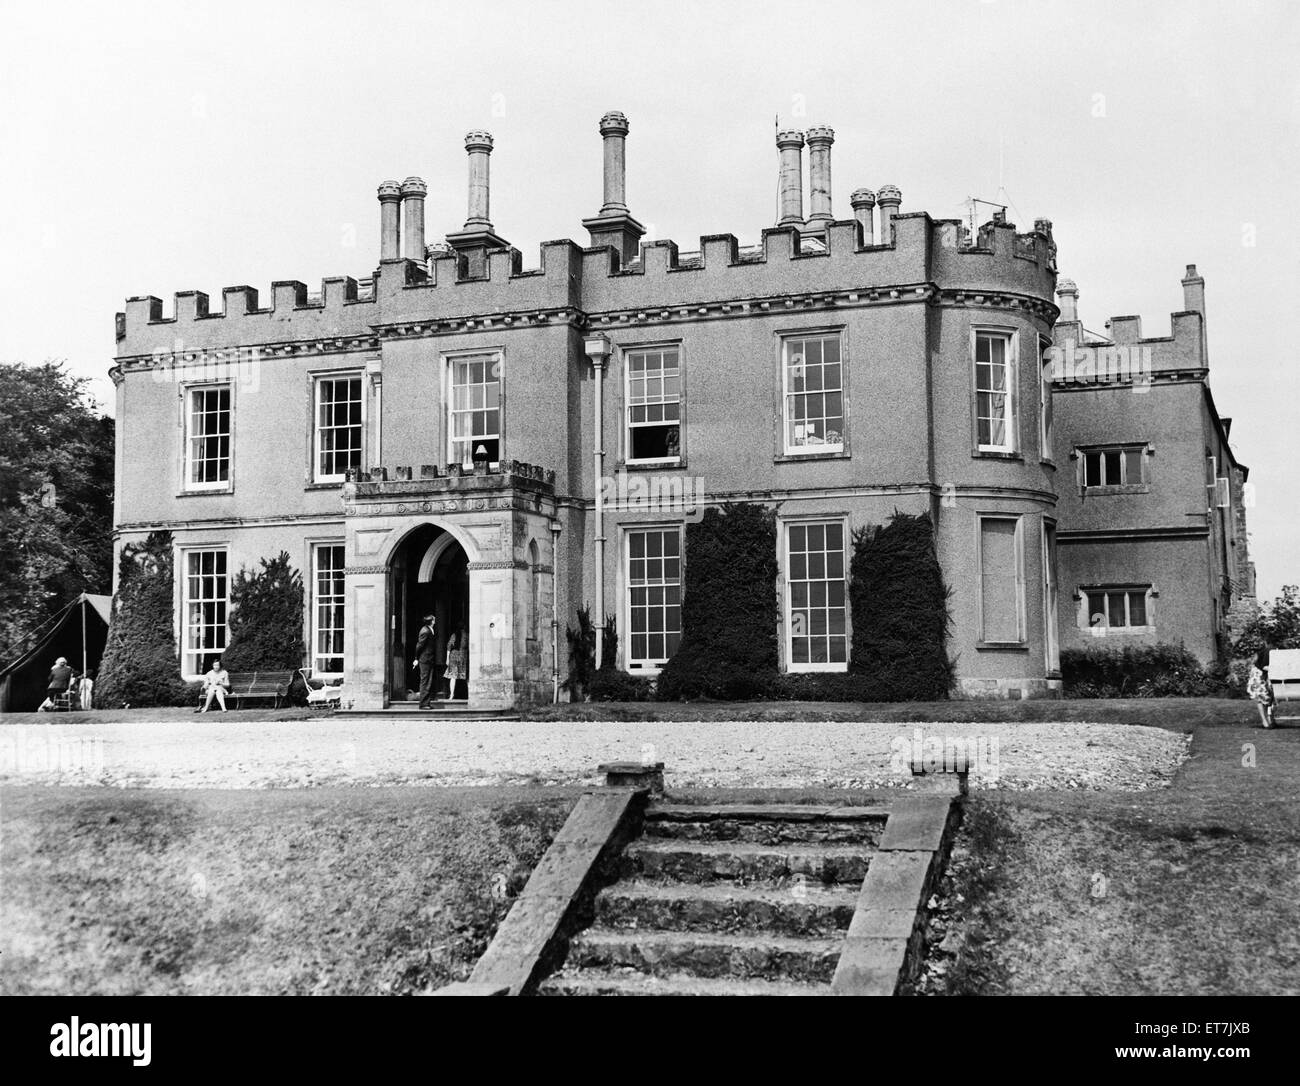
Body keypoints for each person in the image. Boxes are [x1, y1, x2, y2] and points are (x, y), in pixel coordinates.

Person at [413, 613, 438, 709]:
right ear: (431, 621)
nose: (435, 621)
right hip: (425, 659)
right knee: (425, 681)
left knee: (428, 681)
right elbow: (419, 645)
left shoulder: (430, 630)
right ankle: (423, 704)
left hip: (429, 659)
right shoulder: (425, 631)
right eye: (434, 620)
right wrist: (416, 658)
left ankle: (426, 702)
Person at [1246, 651, 1275, 729]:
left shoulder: (1278, 649)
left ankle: (1269, 718)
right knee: (1260, 697)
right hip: (1259, 674)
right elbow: (1262, 665)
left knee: (1268, 697)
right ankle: (1264, 720)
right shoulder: (1268, 650)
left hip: (1266, 674)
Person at [445, 626, 468, 700]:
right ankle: (470, 694)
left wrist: (447, 659)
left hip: (453, 656)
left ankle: (451, 695)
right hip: (462, 657)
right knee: (466, 677)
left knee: (453, 677)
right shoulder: (467, 635)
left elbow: (449, 647)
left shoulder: (454, 635)